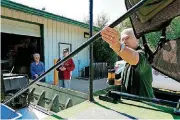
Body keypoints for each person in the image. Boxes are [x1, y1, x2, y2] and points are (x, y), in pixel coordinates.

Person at [101, 27, 154, 98]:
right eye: (122, 39)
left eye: (127, 38)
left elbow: (134, 57)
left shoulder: (143, 56)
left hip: (145, 105)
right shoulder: (127, 61)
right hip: (130, 104)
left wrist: (116, 45)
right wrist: (115, 81)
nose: (124, 41)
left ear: (137, 39)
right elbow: (125, 80)